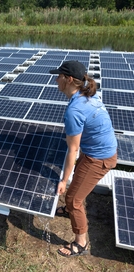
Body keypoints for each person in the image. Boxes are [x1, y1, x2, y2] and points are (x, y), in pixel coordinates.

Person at [49, 60, 117, 257]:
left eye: (59, 76)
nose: (56, 79)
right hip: (99, 151)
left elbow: (73, 150)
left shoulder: (75, 110)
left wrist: (63, 180)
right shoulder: (87, 95)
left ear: (69, 79)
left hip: (99, 158)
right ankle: (70, 211)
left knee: (73, 198)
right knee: (77, 188)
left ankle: (81, 243)